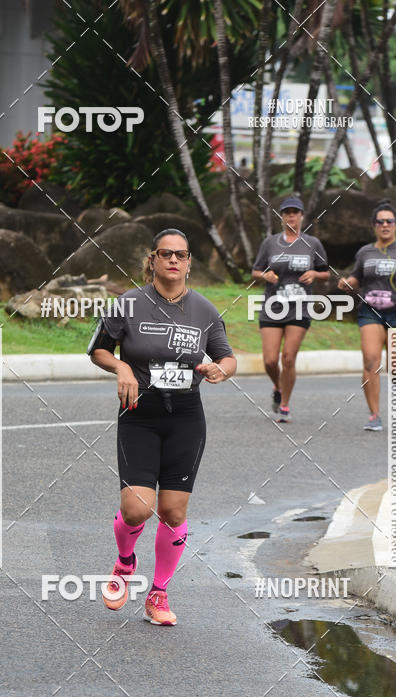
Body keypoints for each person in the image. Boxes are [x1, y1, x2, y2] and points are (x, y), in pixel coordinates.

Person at [88, 228, 236, 626]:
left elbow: (227, 356)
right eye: (165, 253)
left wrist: (220, 369)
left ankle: (159, 593)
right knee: (136, 508)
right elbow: (98, 349)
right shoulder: (129, 303)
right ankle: (125, 562)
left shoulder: (204, 310)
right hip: (138, 414)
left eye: (180, 255)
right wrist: (121, 366)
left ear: (189, 263)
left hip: (186, 417)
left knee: (172, 510)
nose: (173, 260)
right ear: (152, 259)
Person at [337, 200, 396, 431]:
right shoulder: (365, 252)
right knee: (370, 361)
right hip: (371, 312)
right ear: (374, 226)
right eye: (380, 222)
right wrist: (348, 282)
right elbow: (357, 276)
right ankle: (374, 415)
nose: (385, 225)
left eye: (389, 221)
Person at [252, 195, 329, 422]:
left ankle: (284, 405)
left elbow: (325, 273)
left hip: (300, 308)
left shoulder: (313, 244)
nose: (291, 216)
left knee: (287, 358)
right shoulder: (270, 243)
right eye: (287, 213)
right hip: (273, 307)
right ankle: (278, 386)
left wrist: (314, 274)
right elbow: (256, 271)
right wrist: (265, 275)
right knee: (269, 361)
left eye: (295, 212)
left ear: (302, 216)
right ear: (281, 216)